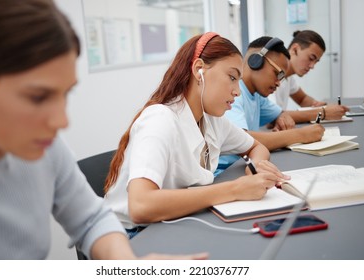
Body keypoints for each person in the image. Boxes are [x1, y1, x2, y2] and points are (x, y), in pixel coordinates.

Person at [0, 0, 208, 260]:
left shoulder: (48, 149)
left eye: (65, 94)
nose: (62, 121)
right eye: (38, 97)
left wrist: (129, 267)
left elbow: (91, 219)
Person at [103, 32, 289, 238]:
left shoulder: (212, 121)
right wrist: (236, 189)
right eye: (232, 77)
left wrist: (257, 166)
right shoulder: (160, 120)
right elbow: (140, 206)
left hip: (169, 224)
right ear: (199, 70)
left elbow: (256, 147)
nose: (237, 91)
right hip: (132, 237)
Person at [217, 36, 325, 174]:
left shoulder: (256, 95)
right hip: (224, 174)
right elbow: (241, 140)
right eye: (277, 74)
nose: (279, 83)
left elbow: (280, 114)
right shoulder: (233, 95)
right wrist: (302, 135)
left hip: (242, 167)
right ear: (255, 61)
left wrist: (282, 118)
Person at [269, 30, 349, 120]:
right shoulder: (271, 76)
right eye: (311, 58)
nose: (312, 66)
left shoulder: (288, 77)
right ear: (295, 49)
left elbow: (302, 99)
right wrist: (322, 113)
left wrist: (320, 106)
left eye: (316, 61)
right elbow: (274, 116)